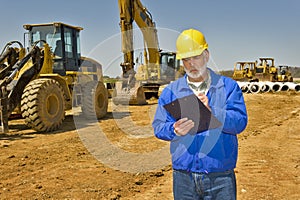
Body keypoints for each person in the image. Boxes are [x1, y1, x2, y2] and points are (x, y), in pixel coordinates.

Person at [152, 29, 248, 200]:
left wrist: (213, 112)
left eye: (196, 57)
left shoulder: (228, 87)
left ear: (206, 55)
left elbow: (240, 122)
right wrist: (173, 129)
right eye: (186, 60)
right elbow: (159, 127)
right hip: (184, 178)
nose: (191, 64)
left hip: (220, 177)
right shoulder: (171, 92)